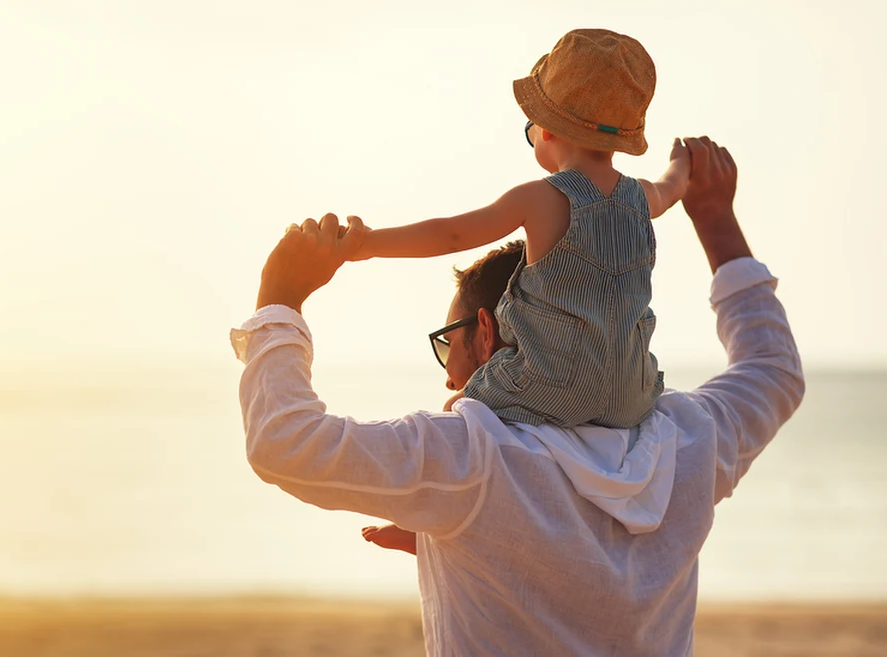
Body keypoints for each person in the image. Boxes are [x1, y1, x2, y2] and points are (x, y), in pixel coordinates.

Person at [230, 137, 804, 655]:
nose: (451, 377)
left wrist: (279, 302)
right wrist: (714, 219)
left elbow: (284, 444)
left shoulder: (471, 460)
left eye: (447, 343)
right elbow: (773, 370)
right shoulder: (686, 441)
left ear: (486, 331)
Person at [352, 28, 688, 431]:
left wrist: (367, 244)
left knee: (459, 405)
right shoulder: (641, 197)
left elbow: (451, 234)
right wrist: (683, 162)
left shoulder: (541, 198)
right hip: (632, 396)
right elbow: (672, 188)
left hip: (552, 387)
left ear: (546, 129)